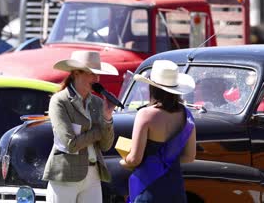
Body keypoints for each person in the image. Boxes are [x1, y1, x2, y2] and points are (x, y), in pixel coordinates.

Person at [43, 50, 118, 203]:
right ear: (76, 73)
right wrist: (99, 130)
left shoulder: (97, 103)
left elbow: (105, 145)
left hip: (93, 175)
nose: (97, 79)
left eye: (98, 74)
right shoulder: (59, 101)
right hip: (65, 175)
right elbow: (71, 144)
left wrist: (107, 118)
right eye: (91, 73)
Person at [120, 60, 197, 203]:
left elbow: (135, 159)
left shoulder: (145, 115)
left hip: (148, 187)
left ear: (153, 88)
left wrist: (124, 161)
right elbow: (190, 157)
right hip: (175, 188)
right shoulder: (187, 116)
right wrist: (166, 160)